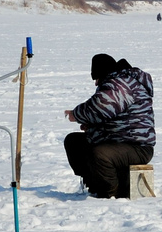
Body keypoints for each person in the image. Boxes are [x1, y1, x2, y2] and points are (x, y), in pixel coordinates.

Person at [64, 53, 155, 199]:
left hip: (137, 147)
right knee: (74, 142)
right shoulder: (119, 83)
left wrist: (76, 114)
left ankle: (110, 194)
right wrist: (92, 126)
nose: (95, 83)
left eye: (96, 78)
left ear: (104, 73)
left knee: (100, 154)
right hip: (120, 142)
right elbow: (113, 116)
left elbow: (100, 107)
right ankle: (95, 186)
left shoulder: (122, 84)